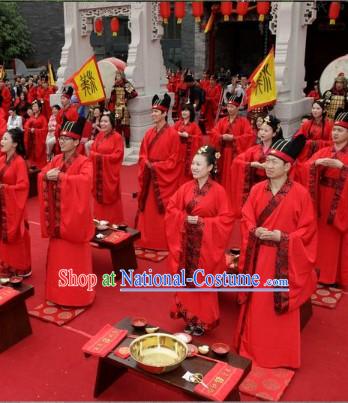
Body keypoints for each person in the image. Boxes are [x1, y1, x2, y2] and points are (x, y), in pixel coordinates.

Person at [234, 134, 317, 369]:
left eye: (274, 162)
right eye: (267, 161)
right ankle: (252, 348)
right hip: (258, 255)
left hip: (284, 261)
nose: (267, 166)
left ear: (288, 167)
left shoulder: (300, 194)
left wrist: (284, 237)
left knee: (275, 306)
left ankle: (280, 354)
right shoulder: (258, 189)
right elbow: (247, 215)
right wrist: (252, 230)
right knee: (257, 305)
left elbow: (308, 230)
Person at [166, 145, 233, 335]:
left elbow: (227, 219)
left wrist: (203, 222)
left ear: (211, 167)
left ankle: (203, 320)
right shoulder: (185, 188)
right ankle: (188, 316)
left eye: (198, 164)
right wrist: (184, 219)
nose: (193, 167)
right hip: (186, 244)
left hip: (206, 247)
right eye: (193, 163)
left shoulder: (219, 192)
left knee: (203, 284)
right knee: (186, 283)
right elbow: (172, 210)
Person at [38, 117, 95, 307]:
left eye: (67, 138)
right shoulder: (56, 159)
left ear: (77, 142)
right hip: (59, 219)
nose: (61, 141)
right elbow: (41, 175)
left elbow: (85, 183)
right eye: (60, 138)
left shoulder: (85, 162)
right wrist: (46, 175)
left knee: (74, 257)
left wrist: (61, 177)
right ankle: (57, 295)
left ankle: (78, 296)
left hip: (75, 222)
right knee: (59, 255)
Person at [298, 111, 348, 289]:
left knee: (334, 238)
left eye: (340, 131)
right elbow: (304, 167)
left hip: (341, 201)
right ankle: (316, 271)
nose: (335, 134)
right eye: (334, 130)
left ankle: (332, 276)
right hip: (321, 199)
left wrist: (343, 168)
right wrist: (315, 165)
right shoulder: (324, 151)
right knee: (319, 234)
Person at [136, 93, 181, 250]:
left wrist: (155, 167)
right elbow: (142, 154)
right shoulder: (148, 134)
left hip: (161, 178)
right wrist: (145, 162)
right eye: (152, 111)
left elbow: (174, 161)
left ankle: (160, 241)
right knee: (147, 209)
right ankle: (146, 239)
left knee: (160, 211)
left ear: (164, 113)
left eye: (156, 112)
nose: (153, 114)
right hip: (149, 176)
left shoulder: (173, 135)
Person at [229, 115, 283, 219]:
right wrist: (251, 164)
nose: (262, 132)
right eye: (261, 130)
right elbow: (237, 162)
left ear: (274, 133)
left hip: (273, 186)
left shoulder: (279, 151)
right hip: (255, 186)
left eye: (266, 130)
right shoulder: (254, 149)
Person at [210, 92, 254, 198]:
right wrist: (221, 137)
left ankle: (233, 195)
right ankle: (221, 194)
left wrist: (234, 138)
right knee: (222, 173)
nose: (229, 109)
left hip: (236, 153)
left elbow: (249, 136)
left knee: (233, 174)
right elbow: (214, 132)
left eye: (232, 107)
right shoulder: (222, 121)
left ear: (237, 108)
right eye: (228, 106)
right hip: (223, 152)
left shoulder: (243, 122)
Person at [0, 128, 31, 278]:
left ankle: (18, 267)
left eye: (5, 139)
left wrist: (4, 188)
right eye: (2, 138)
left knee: (15, 236)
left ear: (15, 144)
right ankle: (4, 264)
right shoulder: (1, 159)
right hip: (4, 205)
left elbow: (23, 187)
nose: (2, 141)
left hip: (15, 207)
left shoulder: (19, 162)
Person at [89, 111, 124, 224]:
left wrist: (99, 157)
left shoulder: (117, 137)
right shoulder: (99, 136)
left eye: (106, 121)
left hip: (109, 174)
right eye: (101, 121)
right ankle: (98, 220)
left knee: (111, 198)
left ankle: (113, 221)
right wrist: (97, 156)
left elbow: (118, 155)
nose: (103, 124)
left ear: (112, 123)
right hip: (99, 173)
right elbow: (92, 151)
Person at [173, 103, 203, 184]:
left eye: (186, 110)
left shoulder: (194, 126)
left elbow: (199, 139)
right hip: (178, 151)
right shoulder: (177, 124)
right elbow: (171, 134)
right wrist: (177, 134)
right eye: (183, 110)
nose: (184, 112)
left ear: (191, 112)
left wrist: (189, 136)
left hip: (188, 152)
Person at [107, 71, 138, 148]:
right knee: (117, 126)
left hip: (124, 108)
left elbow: (134, 93)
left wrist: (127, 98)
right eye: (116, 76)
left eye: (119, 76)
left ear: (122, 76)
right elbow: (111, 99)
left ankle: (127, 143)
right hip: (116, 109)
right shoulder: (114, 86)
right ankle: (119, 143)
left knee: (126, 125)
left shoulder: (126, 84)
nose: (117, 77)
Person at [24, 100, 48, 169]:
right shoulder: (31, 117)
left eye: (35, 106)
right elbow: (26, 126)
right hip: (31, 139)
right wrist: (29, 130)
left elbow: (45, 130)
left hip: (39, 139)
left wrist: (35, 131)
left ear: (40, 108)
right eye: (33, 106)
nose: (33, 108)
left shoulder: (43, 118)